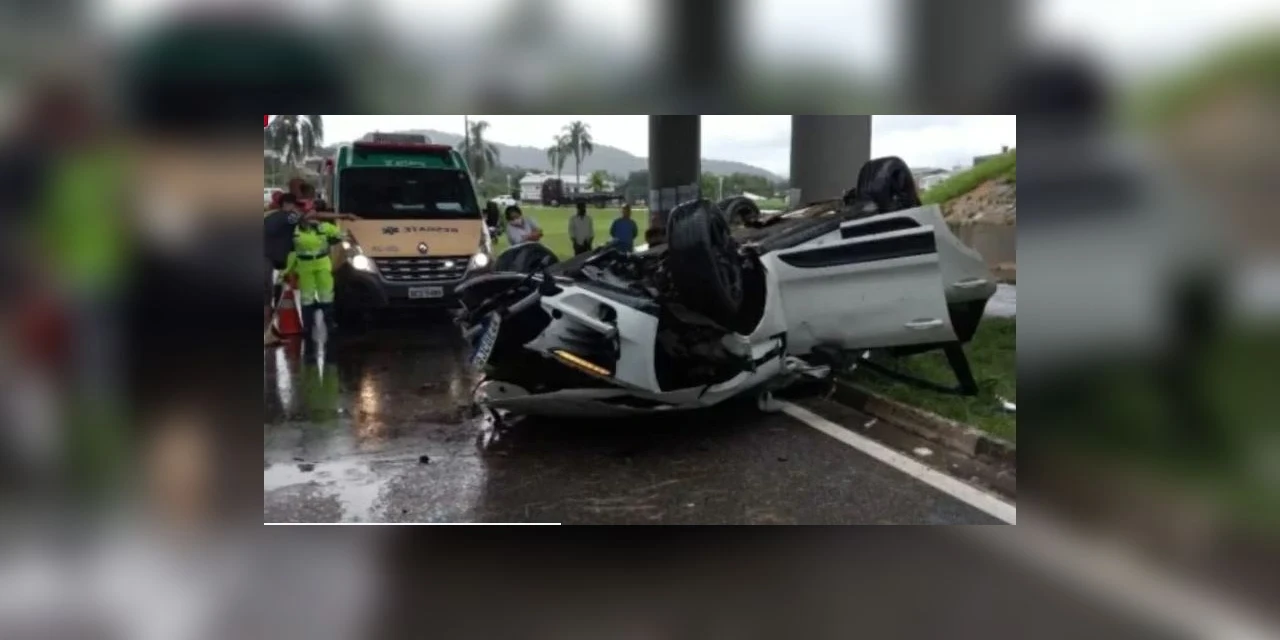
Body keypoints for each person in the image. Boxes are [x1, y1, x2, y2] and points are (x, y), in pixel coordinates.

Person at [264, 194, 352, 345]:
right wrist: (344, 215)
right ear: (288, 204)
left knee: (270, 297)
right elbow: (312, 215)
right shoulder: (289, 216)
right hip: (265, 259)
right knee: (266, 298)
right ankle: (266, 335)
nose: (300, 210)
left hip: (267, 259)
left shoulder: (272, 216)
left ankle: (269, 332)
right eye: (296, 206)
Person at [282, 203, 344, 340]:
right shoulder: (294, 230)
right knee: (307, 297)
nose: (311, 218)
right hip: (305, 265)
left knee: (326, 294)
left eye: (312, 215)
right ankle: (307, 325)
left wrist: (333, 239)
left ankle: (329, 322)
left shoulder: (322, 227)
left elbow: (341, 235)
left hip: (322, 264)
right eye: (308, 215)